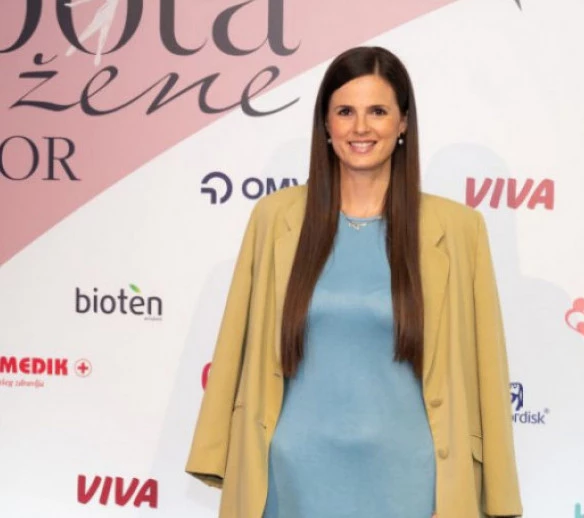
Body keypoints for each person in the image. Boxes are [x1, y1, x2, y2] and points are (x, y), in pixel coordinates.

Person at [185, 46, 523, 518]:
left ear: (403, 123)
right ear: (326, 125)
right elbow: (234, 350)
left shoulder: (459, 230)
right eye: (345, 112)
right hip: (289, 480)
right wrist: (215, 450)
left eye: (378, 111)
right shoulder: (274, 219)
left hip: (411, 484)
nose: (360, 127)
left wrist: (496, 491)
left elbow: (486, 367)